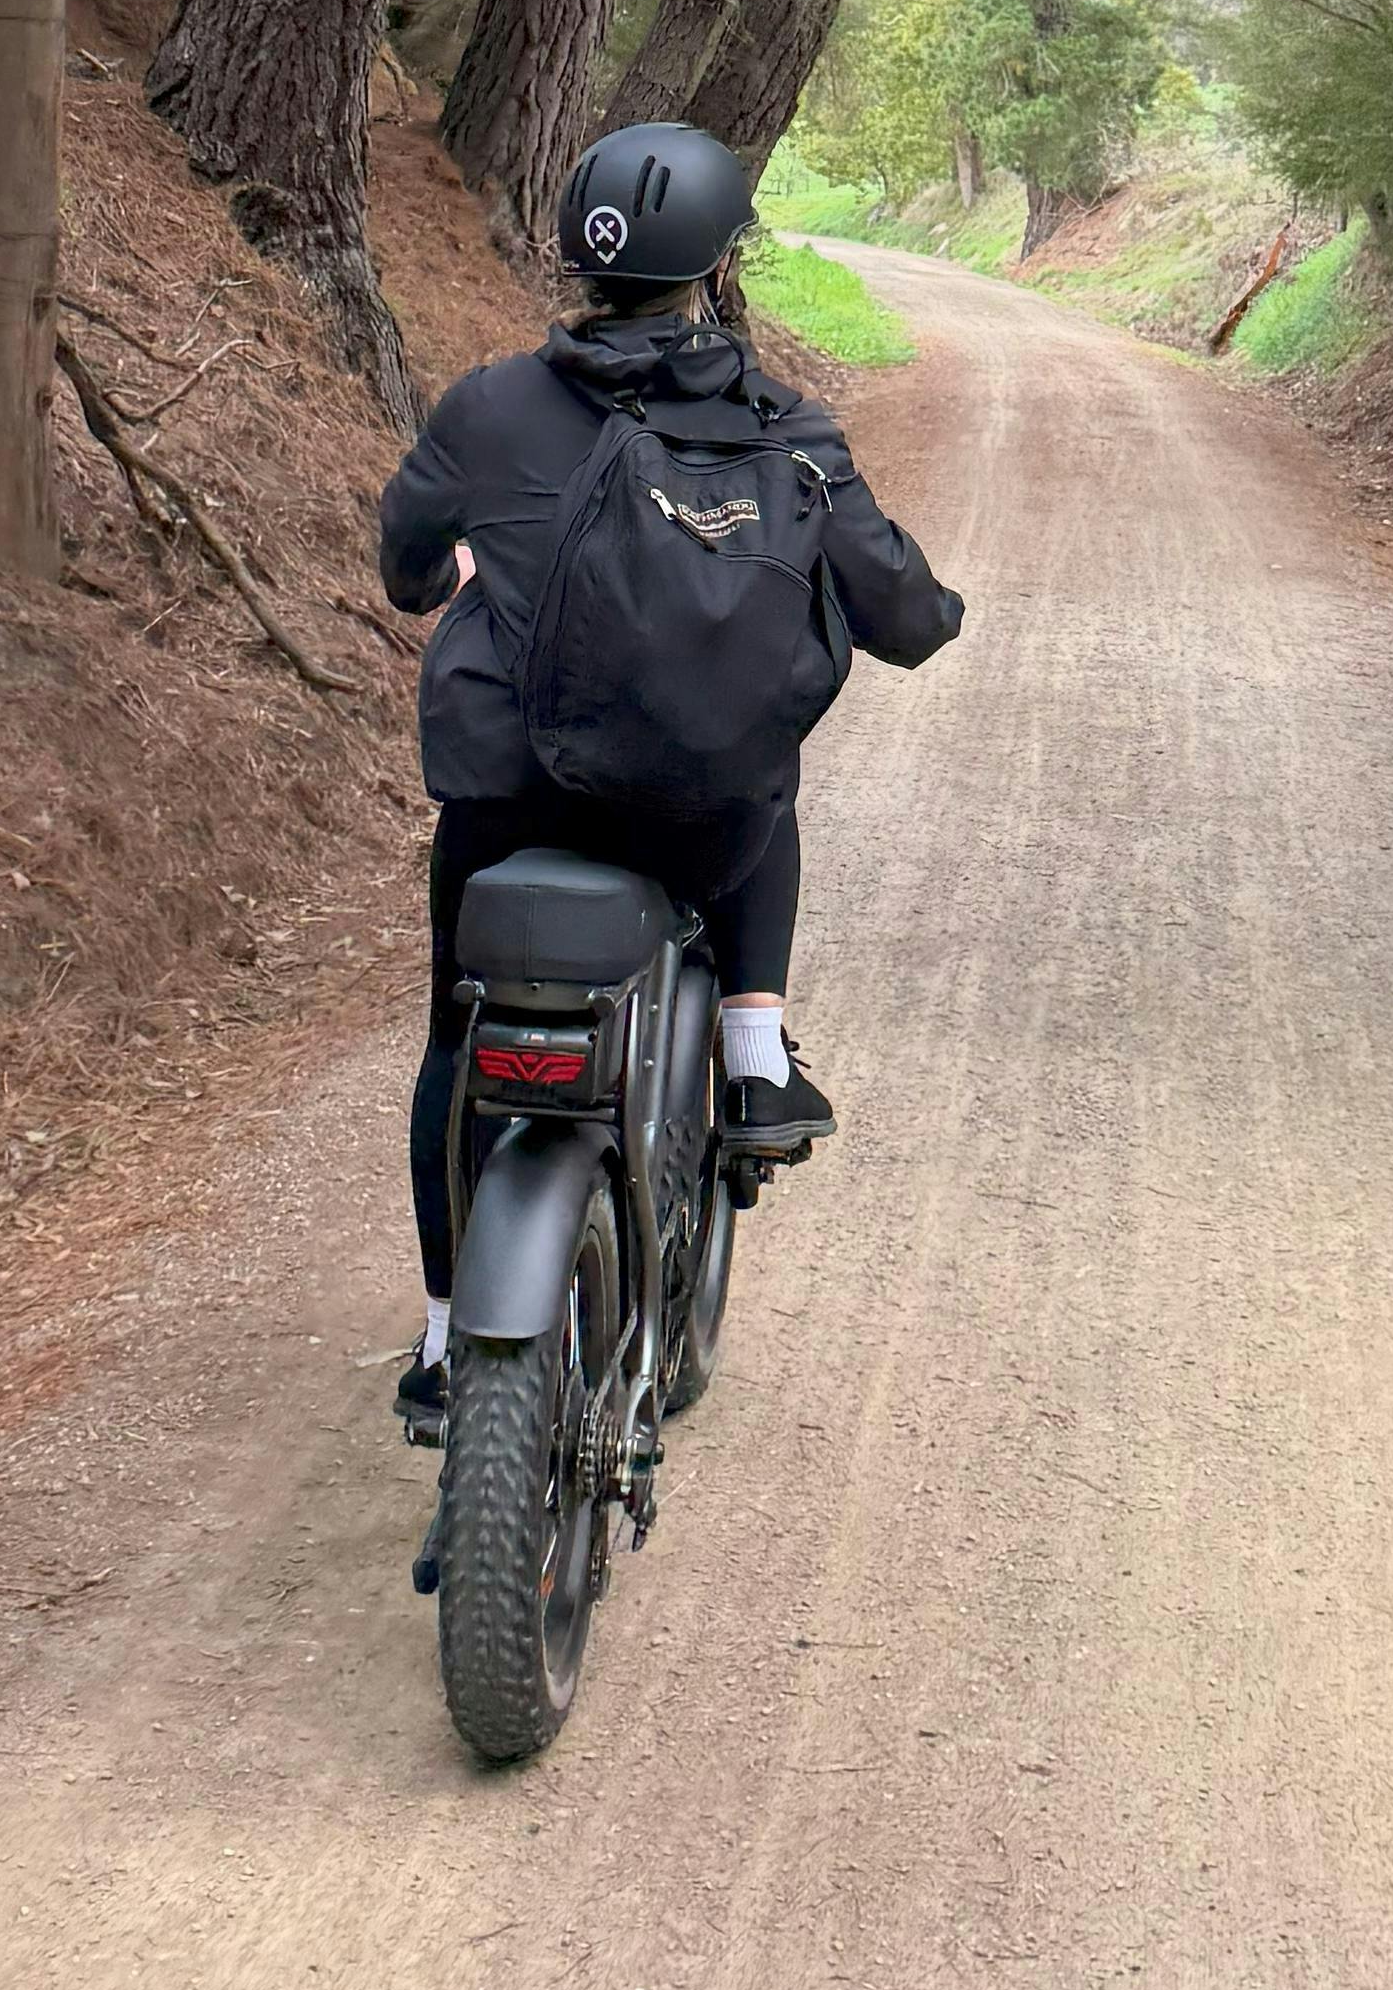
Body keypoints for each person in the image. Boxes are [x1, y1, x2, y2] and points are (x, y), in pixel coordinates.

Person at [376, 116, 963, 1434]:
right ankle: (751, 1047)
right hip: (693, 826)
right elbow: (900, 614)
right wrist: (938, 611)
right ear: (717, 265)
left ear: (578, 261)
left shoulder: (485, 407)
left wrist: (460, 568)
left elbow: (405, 563)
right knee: (762, 772)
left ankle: (446, 1334)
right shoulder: (783, 429)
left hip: (503, 805)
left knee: (457, 1042)